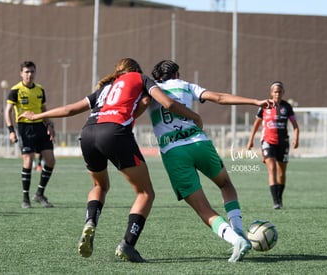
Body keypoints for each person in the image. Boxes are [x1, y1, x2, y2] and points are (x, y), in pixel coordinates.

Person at [18, 58, 202, 263]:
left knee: (99, 185)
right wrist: (194, 116)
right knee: (145, 193)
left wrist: (37, 116)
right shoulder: (141, 78)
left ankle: (90, 222)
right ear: (135, 71)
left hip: (88, 133)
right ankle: (128, 245)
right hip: (114, 133)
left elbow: (70, 110)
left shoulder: (105, 88)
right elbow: (168, 103)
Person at [149, 60, 272, 262]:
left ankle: (236, 240)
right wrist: (255, 102)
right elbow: (220, 98)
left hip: (174, 152)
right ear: (177, 74)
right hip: (200, 144)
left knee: (202, 208)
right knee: (225, 184)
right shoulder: (186, 85)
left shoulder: (151, 90)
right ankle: (239, 231)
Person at [4, 61, 56, 209]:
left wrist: (50, 125)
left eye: (32, 72)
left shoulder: (40, 90)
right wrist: (11, 131)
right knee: (28, 160)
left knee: (51, 160)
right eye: (27, 72)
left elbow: (44, 109)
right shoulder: (15, 90)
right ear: (21, 73)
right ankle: (25, 198)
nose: (29, 75)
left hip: (40, 126)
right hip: (24, 128)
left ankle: (39, 194)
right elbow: (7, 111)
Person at [246, 81, 299, 210]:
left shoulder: (287, 107)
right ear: (271, 93)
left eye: (279, 91)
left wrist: (296, 139)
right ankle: (275, 202)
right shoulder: (265, 106)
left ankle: (279, 199)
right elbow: (256, 124)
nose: (277, 94)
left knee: (281, 173)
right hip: (268, 142)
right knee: (272, 169)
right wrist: (251, 140)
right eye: (275, 91)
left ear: (283, 93)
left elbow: (295, 126)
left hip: (283, 143)